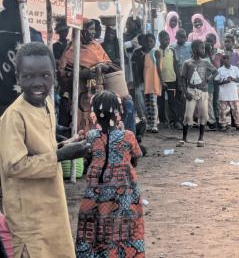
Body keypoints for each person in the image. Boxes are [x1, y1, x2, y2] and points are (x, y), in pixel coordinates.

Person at [0, 42, 89, 258]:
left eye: (45, 75)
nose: (38, 83)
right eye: (29, 77)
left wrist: (69, 144)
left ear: (54, 76)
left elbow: (42, 149)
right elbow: (15, 165)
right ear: (18, 77)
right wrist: (60, 155)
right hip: (29, 215)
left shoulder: (47, 105)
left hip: (52, 206)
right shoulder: (14, 116)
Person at [75, 90, 145, 257]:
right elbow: (135, 159)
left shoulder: (91, 136)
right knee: (125, 228)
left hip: (96, 192)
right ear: (118, 113)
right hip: (125, 192)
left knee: (96, 226)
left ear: (94, 114)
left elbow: (88, 158)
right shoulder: (128, 136)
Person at [58, 19, 116, 132]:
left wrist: (104, 67)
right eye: (91, 29)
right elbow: (62, 74)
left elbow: (109, 64)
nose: (93, 32)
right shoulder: (72, 50)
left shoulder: (96, 46)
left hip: (98, 89)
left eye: (94, 29)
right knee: (82, 119)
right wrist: (81, 74)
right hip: (79, 93)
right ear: (82, 31)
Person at [178, 40, 216, 147]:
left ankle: (201, 138)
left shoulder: (205, 62)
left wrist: (209, 78)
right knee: (188, 115)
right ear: (194, 50)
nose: (203, 50)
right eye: (201, 48)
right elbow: (183, 79)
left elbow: (215, 71)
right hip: (191, 91)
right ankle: (184, 138)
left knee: (203, 114)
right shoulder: (187, 63)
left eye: (204, 48)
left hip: (203, 91)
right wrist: (186, 92)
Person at [134, 34, 162, 134]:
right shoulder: (140, 53)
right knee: (147, 104)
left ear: (155, 42)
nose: (149, 44)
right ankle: (148, 124)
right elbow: (138, 68)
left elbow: (158, 68)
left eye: (151, 41)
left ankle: (154, 125)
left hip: (154, 82)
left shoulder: (156, 52)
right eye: (147, 42)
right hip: (145, 82)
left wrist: (161, 81)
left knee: (153, 103)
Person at [157, 30, 181, 129]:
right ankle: (162, 121)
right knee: (160, 102)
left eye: (168, 39)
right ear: (159, 39)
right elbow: (157, 67)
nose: (166, 41)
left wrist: (178, 81)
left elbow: (176, 66)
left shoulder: (172, 51)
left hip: (172, 80)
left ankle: (175, 121)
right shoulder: (156, 51)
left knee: (173, 101)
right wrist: (161, 81)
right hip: (159, 81)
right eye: (164, 39)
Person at [216, 54, 239, 132]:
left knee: (235, 110)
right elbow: (217, 82)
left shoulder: (235, 69)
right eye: (224, 58)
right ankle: (223, 125)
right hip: (223, 94)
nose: (225, 60)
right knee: (222, 110)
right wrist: (225, 81)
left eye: (227, 58)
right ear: (222, 60)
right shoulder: (220, 70)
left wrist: (232, 79)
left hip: (233, 93)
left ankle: (237, 124)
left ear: (229, 59)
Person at [171, 28, 192, 127]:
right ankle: (178, 120)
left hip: (189, 76)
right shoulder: (172, 48)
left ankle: (187, 119)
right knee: (178, 99)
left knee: (187, 98)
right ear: (176, 37)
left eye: (184, 37)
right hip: (177, 76)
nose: (182, 39)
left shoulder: (190, 46)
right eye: (180, 37)